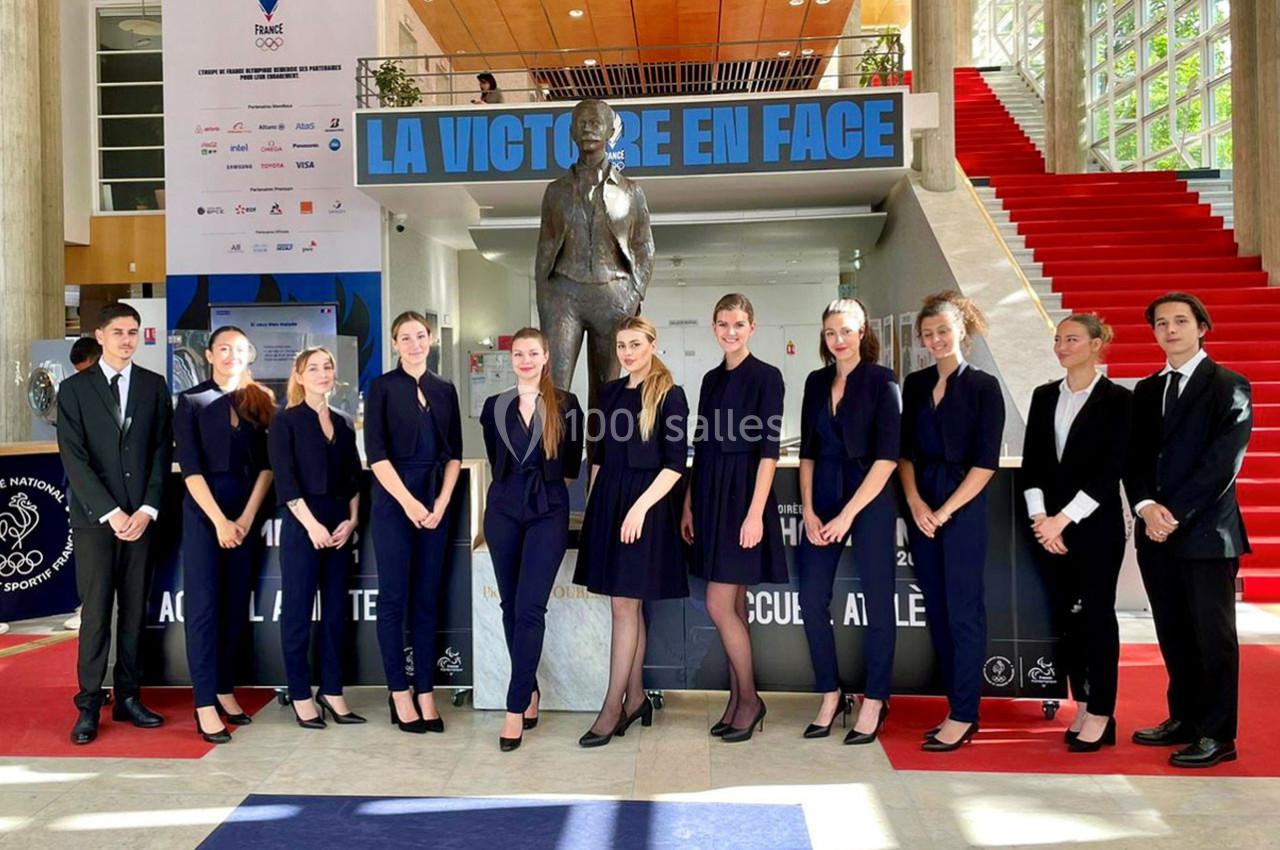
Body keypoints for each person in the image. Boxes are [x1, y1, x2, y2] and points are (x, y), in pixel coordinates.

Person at [1124, 292, 1251, 768]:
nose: (1170, 329)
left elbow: (1222, 464)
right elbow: (1133, 459)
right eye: (1161, 323)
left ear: (1202, 327)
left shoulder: (1228, 385)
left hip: (1206, 534)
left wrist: (1171, 514)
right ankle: (1184, 717)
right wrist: (1145, 507)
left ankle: (1217, 734)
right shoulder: (1146, 390)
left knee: (1213, 638)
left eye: (1181, 320)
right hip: (1155, 532)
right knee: (1173, 631)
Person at [56, 303, 173, 745]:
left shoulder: (153, 386)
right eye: (119, 332)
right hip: (95, 522)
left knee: (135, 613)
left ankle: (128, 696)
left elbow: (161, 451)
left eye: (133, 332)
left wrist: (147, 509)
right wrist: (112, 512)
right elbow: (75, 459)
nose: (127, 340)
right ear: (100, 336)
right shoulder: (74, 390)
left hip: (142, 520)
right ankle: (89, 703)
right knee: (97, 614)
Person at [574, 316, 689, 747]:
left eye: (635, 344)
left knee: (624, 605)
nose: (627, 352)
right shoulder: (609, 393)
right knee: (627, 606)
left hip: (647, 508)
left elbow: (675, 464)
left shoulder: (670, 395)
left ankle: (612, 708)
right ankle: (636, 697)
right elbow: (600, 455)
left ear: (652, 345)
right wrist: (593, 506)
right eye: (621, 345)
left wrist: (639, 508)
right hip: (610, 503)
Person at [899, 291, 1005, 752]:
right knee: (938, 611)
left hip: (963, 509)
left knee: (964, 612)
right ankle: (954, 706)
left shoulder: (983, 386)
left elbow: (985, 463)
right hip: (922, 508)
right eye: (928, 334)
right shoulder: (915, 384)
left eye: (943, 330)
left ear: (962, 329)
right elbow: (904, 453)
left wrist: (945, 510)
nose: (936, 340)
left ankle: (965, 713)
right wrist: (916, 503)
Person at [1022, 314, 1132, 752]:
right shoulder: (1044, 395)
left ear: (1096, 344)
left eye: (1071, 339)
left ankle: (1103, 710)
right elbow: (1033, 462)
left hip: (1095, 528)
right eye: (1058, 339)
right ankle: (1083, 704)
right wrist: (1041, 520)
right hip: (1049, 529)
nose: (1062, 347)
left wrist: (1062, 520)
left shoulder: (1119, 400)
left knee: (1097, 618)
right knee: (1066, 619)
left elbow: (1109, 473)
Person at [681, 294, 786, 743]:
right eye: (723, 324)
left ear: (752, 328)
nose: (730, 331)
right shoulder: (710, 379)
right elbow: (701, 443)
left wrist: (755, 514)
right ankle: (738, 698)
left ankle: (751, 701)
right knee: (735, 607)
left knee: (718, 605)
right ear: (714, 327)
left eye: (738, 324)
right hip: (709, 495)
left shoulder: (768, 377)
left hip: (743, 498)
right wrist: (689, 501)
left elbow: (769, 452)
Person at [796, 299, 901, 745]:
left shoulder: (883, 380)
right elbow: (807, 453)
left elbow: (887, 458)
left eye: (845, 331)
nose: (838, 340)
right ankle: (830, 693)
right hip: (822, 498)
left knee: (879, 601)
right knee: (810, 597)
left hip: (869, 500)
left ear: (862, 332)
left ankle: (874, 699)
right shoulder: (816, 381)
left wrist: (847, 515)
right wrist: (809, 509)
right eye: (830, 333)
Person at [480, 328, 584, 752]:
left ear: (546, 357)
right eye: (518, 354)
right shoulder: (494, 405)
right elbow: (496, 459)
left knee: (529, 608)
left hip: (547, 510)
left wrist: (545, 491)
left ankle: (514, 707)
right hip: (503, 509)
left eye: (532, 353)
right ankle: (530, 689)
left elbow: (571, 465)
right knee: (509, 606)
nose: (525, 360)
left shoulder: (567, 404)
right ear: (512, 359)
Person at [174, 327, 275, 743]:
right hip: (205, 516)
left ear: (249, 354)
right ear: (210, 355)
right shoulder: (190, 401)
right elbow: (191, 469)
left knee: (234, 608)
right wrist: (219, 521)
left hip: (246, 514)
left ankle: (223, 688)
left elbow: (267, 466)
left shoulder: (260, 400)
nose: (232, 355)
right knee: (203, 610)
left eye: (240, 349)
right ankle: (203, 703)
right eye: (224, 349)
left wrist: (246, 518)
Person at [365, 311, 463, 734]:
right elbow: (376, 455)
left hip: (435, 500)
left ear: (430, 339)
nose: (415, 344)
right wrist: (408, 503)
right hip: (394, 502)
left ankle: (425, 690)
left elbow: (455, 453)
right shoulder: (382, 387)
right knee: (393, 598)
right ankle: (399, 692)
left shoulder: (445, 388)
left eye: (420, 336)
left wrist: (440, 502)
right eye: (405, 338)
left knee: (426, 599)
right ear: (394, 344)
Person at [535, 98, 655, 415]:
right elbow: (545, 249)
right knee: (554, 390)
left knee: (607, 395)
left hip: (613, 297)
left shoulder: (631, 191)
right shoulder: (555, 191)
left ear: (610, 131)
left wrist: (633, 294)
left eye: (596, 122)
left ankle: (602, 451)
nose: (588, 128)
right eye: (582, 122)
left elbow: (644, 247)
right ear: (572, 131)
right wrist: (546, 301)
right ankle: (554, 448)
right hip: (564, 296)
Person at [269, 347, 366, 730]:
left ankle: (333, 690)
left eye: (328, 367)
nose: (323, 373)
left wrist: (352, 520)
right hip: (302, 525)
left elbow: (354, 478)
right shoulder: (285, 421)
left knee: (337, 612)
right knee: (297, 611)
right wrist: (311, 526)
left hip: (339, 526)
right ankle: (300, 694)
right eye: (313, 368)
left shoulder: (343, 422)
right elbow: (286, 479)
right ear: (299, 375)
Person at [62, 336, 103, 632]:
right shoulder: (72, 392)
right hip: (87, 499)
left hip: (128, 502)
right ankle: (88, 605)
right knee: (91, 565)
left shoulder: (141, 387)